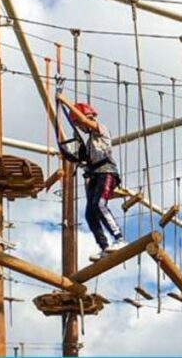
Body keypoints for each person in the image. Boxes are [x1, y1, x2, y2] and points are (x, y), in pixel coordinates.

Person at [55, 90, 126, 262]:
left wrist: (65, 101)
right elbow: (83, 159)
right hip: (95, 175)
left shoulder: (101, 129)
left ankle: (119, 238)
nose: (81, 127)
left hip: (107, 172)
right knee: (90, 213)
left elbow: (86, 121)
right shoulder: (88, 142)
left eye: (79, 124)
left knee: (99, 205)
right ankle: (104, 246)